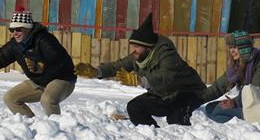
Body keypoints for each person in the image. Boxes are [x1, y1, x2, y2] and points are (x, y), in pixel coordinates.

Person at [75, 13, 205, 127]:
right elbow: (117, 66)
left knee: (175, 118)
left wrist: (141, 80)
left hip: (188, 92)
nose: (134, 50)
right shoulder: (139, 56)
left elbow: (166, 77)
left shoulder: (167, 55)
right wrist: (97, 72)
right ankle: (154, 136)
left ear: (148, 46)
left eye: (137, 46)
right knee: (135, 107)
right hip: (163, 94)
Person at [0, 9, 76, 117]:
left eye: (18, 29)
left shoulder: (44, 39)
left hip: (62, 79)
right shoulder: (15, 45)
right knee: (10, 98)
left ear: (28, 28)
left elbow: (59, 60)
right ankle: (31, 128)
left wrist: (42, 67)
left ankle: (58, 132)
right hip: (39, 82)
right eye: (12, 30)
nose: (15, 33)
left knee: (47, 100)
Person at [201, 31, 260, 125]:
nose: (232, 51)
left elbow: (254, 92)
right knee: (210, 107)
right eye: (230, 47)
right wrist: (197, 99)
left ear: (244, 49)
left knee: (218, 111)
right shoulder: (237, 66)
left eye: (235, 47)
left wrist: (234, 103)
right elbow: (218, 87)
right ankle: (244, 123)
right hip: (247, 105)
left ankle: (258, 124)